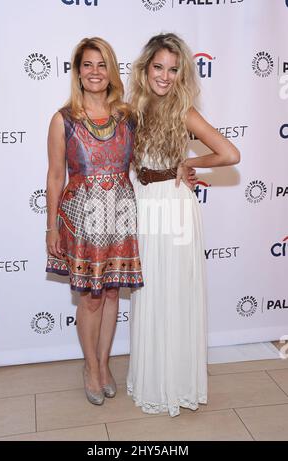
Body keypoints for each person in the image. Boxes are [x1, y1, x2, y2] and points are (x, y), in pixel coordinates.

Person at [127, 33, 240, 417]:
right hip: (144, 204)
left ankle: (175, 382)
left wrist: (190, 164)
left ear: (182, 74)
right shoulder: (132, 109)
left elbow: (229, 152)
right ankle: (153, 376)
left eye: (173, 69)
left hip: (173, 206)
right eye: (158, 67)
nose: (165, 76)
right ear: (145, 69)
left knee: (173, 291)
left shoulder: (184, 111)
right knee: (150, 291)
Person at [45, 37, 144, 406]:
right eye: (88, 65)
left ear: (111, 70)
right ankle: (90, 367)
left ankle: (104, 365)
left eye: (102, 65)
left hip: (120, 213)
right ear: (77, 71)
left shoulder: (128, 116)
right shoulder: (64, 119)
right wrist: (51, 227)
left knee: (114, 291)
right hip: (81, 219)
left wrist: (180, 167)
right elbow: (56, 176)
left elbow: (145, 160)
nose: (95, 72)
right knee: (90, 298)